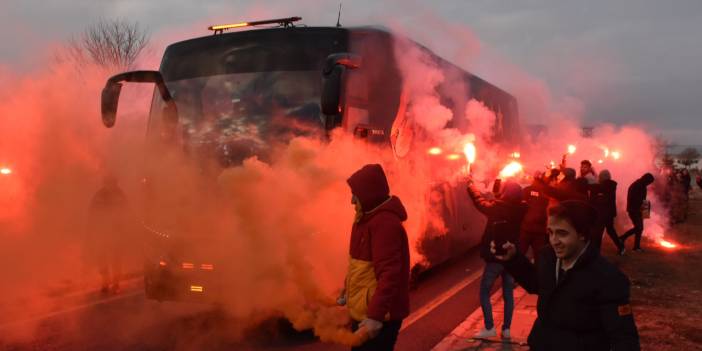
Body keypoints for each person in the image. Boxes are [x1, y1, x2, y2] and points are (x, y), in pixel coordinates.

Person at [493, 201, 641, 350]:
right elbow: (537, 284)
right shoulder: (547, 256)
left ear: (582, 234)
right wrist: (513, 259)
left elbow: (624, 337)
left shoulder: (608, 278)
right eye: (550, 232)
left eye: (562, 233)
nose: (554, 241)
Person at [342, 164, 410, 351]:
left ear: (368, 194)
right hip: (366, 312)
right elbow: (358, 265)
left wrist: (375, 316)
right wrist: (346, 290)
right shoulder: (365, 219)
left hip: (379, 316)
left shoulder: (384, 223)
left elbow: (389, 275)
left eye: (355, 193)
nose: (352, 200)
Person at [467, 178, 527, 340]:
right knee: (508, 293)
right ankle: (506, 329)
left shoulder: (498, 208)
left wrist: (471, 187)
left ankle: (489, 327)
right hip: (511, 257)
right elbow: (499, 202)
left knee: (484, 291)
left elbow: (480, 202)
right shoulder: (521, 208)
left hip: (496, 257)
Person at [86, 174, 130, 294]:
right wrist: (92, 229)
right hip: (103, 232)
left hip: (117, 232)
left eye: (112, 183)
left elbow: (127, 212)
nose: (110, 185)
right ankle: (105, 281)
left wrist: (124, 228)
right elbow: (92, 213)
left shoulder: (120, 195)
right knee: (103, 258)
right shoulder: (99, 196)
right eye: (108, 183)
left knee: (116, 259)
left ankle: (116, 283)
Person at [589, 170, 625, 255]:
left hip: (603, 213)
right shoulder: (610, 185)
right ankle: (621, 247)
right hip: (609, 213)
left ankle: (596, 253)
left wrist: (587, 186)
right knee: (610, 230)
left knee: (598, 232)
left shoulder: (607, 186)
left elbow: (599, 189)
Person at [620, 173, 655, 251]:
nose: (649, 184)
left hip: (638, 210)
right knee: (638, 228)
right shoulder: (636, 186)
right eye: (649, 182)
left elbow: (643, 199)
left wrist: (645, 211)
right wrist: (643, 208)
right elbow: (635, 200)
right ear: (646, 179)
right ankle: (622, 238)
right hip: (634, 210)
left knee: (639, 228)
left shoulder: (642, 186)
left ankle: (636, 247)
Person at [520, 172, 550, 261]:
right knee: (540, 257)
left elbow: (520, 206)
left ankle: (513, 273)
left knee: (519, 254)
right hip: (540, 229)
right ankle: (538, 273)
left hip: (526, 227)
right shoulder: (547, 192)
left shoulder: (527, 190)